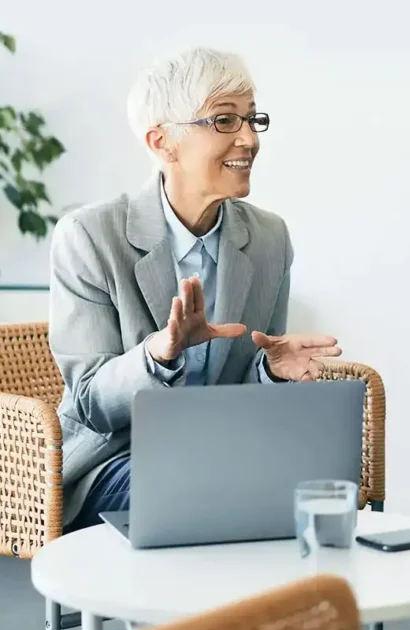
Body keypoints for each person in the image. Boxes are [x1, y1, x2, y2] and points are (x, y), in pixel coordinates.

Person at [51, 47, 341, 531]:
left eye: (252, 119)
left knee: (316, 483)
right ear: (163, 141)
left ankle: (301, 606)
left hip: (223, 450)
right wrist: (159, 355)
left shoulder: (269, 239)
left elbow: (245, 385)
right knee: (205, 488)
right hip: (114, 459)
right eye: (225, 121)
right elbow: (87, 402)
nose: (249, 139)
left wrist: (269, 371)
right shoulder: (88, 236)